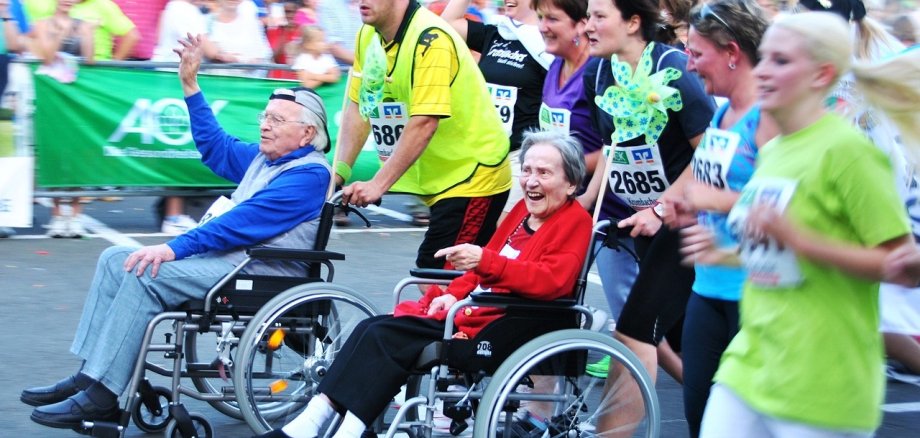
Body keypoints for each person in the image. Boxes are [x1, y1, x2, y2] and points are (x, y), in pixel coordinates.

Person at [21, 34, 333, 430]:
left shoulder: (307, 174)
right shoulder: (264, 159)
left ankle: (102, 396)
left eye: (275, 120)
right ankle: (91, 376)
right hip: (233, 262)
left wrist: (172, 249)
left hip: (261, 273)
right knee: (115, 259)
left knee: (146, 272)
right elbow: (215, 148)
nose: (265, 125)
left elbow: (237, 225)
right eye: (264, 117)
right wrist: (191, 86)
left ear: (307, 134)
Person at [254, 129, 593, 438]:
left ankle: (348, 430)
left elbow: (552, 281)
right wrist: (451, 295)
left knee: (386, 337)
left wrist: (482, 266)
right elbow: (480, 271)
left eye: (544, 173)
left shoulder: (574, 222)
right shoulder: (522, 212)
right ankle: (316, 418)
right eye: (528, 170)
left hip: (507, 321)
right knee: (371, 328)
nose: (531, 181)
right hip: (475, 309)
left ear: (571, 184)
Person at [681, 12, 917, 437]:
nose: (765, 71)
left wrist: (801, 240)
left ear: (821, 74)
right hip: (753, 363)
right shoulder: (777, 151)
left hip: (821, 379)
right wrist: (729, 254)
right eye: (766, 58)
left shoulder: (849, 153)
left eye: (781, 62)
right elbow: (779, 254)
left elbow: (903, 265)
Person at [577, 0, 714, 394]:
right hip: (635, 216)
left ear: (633, 22)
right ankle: (717, 402)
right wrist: (584, 201)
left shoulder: (675, 68)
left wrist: (662, 206)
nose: (588, 26)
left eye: (600, 16)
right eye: (588, 16)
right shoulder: (598, 72)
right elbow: (611, 146)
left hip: (686, 218)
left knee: (639, 329)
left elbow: (710, 151)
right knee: (672, 332)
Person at [661, 0, 774, 436]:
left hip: (756, 290)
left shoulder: (769, 119)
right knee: (701, 415)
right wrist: (681, 201)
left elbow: (783, 202)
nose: (689, 65)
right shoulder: (723, 113)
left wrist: (711, 201)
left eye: (696, 53)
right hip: (708, 287)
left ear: (732, 52)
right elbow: (708, 182)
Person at [336, 0, 511, 270]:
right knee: (445, 282)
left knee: (437, 278)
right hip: (437, 179)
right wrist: (338, 173)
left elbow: (425, 122)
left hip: (472, 176)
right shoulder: (368, 34)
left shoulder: (431, 39)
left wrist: (377, 184)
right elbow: (362, 106)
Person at [441, 0, 552, 223]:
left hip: (521, 155)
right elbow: (446, 23)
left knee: (504, 229)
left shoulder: (548, 45)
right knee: (479, 231)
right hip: (484, 156)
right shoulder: (498, 32)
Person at [534, 0, 602, 173]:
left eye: (552, 19)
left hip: (599, 195)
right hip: (560, 190)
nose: (542, 27)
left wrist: (563, 169)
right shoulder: (555, 64)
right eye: (540, 17)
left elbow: (619, 149)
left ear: (581, 25)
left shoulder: (599, 71)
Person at [69, 0, 140, 61]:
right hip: (64, 66)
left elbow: (132, 35)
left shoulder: (103, 4)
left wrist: (113, 65)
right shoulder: (61, 3)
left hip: (95, 69)